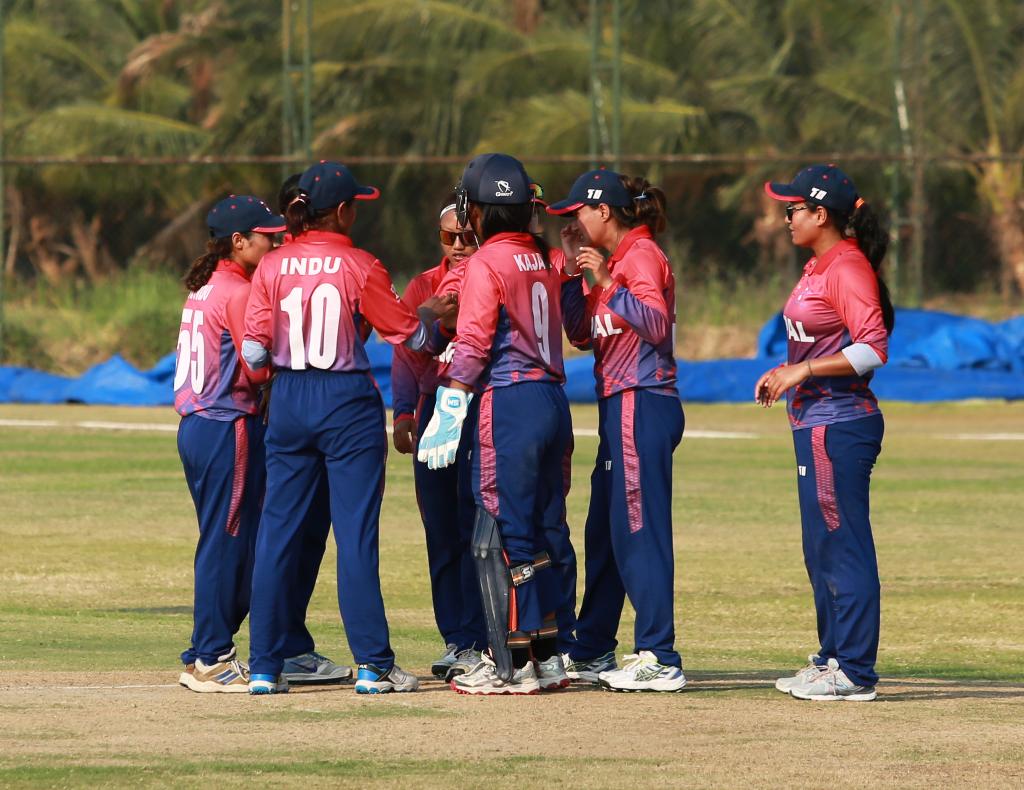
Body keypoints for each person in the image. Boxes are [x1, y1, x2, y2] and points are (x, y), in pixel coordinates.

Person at [242, 161, 451, 695]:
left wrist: (276, 380)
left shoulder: (271, 265)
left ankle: (265, 665)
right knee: (355, 535)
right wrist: (432, 317)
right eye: (354, 204)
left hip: (287, 398)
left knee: (276, 533)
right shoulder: (361, 264)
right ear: (341, 211)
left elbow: (253, 351)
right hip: (345, 399)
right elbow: (409, 337)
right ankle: (372, 665)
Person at [417, 153, 574, 695]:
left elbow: (476, 341)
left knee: (498, 533)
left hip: (508, 402)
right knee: (546, 528)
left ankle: (508, 661)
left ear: (476, 210)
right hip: (554, 398)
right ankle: (549, 655)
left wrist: (450, 405)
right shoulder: (543, 256)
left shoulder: (487, 263)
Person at [756, 164, 893, 702]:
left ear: (821, 214)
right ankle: (832, 656)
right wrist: (785, 372)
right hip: (814, 423)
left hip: (840, 424)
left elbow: (872, 348)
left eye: (792, 209)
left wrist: (803, 371)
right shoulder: (819, 265)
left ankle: (855, 670)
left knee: (843, 547)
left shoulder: (847, 266)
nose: (786, 217)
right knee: (821, 548)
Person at [547, 169, 687, 692]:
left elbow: (655, 326)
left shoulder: (640, 255)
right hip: (619, 404)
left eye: (577, 213)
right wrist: (568, 272)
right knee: (603, 532)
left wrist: (607, 281)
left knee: (638, 529)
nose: (573, 222)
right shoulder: (614, 260)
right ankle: (593, 647)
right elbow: (582, 334)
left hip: (642, 400)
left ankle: (659, 654)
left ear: (603, 211)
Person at [174, 195, 283, 692]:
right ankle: (214, 656)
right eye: (267, 235)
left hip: (197, 426)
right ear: (238, 242)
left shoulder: (205, 287)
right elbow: (255, 367)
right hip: (227, 425)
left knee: (219, 538)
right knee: (225, 542)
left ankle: (204, 645)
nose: (275, 241)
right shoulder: (238, 291)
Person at [390, 194, 486, 681]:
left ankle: (482, 635)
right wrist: (403, 413)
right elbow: (406, 354)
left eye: (469, 235)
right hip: (433, 410)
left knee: (478, 527)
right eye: (453, 237)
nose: (462, 245)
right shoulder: (423, 285)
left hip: (476, 407)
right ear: (440, 239)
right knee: (441, 530)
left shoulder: (490, 274)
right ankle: (456, 637)